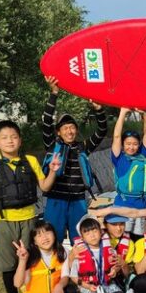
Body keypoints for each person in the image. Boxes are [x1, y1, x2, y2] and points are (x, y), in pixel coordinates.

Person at [0, 119, 60, 293]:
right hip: (4, 221)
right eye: (4, 138)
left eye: (14, 137)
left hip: (29, 219)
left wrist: (53, 170)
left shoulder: (30, 161)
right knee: (8, 263)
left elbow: (46, 187)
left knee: (30, 259)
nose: (10, 141)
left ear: (20, 140)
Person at [42, 76, 108, 243]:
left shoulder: (83, 146)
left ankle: (81, 269)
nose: (69, 131)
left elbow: (102, 131)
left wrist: (99, 110)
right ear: (59, 132)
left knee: (80, 241)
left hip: (78, 200)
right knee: (53, 240)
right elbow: (46, 122)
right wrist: (54, 93)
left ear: (76, 130)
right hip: (56, 200)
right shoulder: (52, 145)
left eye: (72, 127)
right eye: (65, 128)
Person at [12, 220, 78, 293]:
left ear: (54, 234)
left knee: (71, 291)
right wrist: (22, 260)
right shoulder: (29, 255)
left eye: (47, 232)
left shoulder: (63, 251)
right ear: (34, 241)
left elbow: (65, 275)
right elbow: (17, 284)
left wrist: (60, 286)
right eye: (39, 235)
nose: (44, 237)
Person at [68, 217, 126, 293]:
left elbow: (116, 266)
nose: (92, 235)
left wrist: (114, 270)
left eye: (95, 231)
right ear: (82, 238)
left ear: (101, 232)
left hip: (107, 283)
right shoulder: (79, 252)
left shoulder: (108, 248)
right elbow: (73, 276)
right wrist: (86, 286)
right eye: (87, 233)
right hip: (88, 285)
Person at [112, 107, 146, 239]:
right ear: (123, 145)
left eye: (135, 144)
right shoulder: (118, 157)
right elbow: (117, 136)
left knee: (138, 239)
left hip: (140, 207)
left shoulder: (143, 155)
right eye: (128, 144)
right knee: (123, 239)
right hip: (123, 207)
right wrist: (123, 113)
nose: (131, 147)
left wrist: (145, 114)